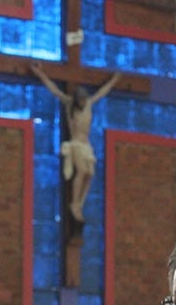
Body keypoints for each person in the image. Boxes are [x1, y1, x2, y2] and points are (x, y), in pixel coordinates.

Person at [30, 62, 121, 223]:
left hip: (86, 145)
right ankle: (74, 203)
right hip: (76, 144)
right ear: (77, 99)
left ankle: (79, 203)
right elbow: (53, 89)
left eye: (84, 100)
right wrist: (40, 74)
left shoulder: (90, 104)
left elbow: (102, 92)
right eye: (81, 100)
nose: (83, 102)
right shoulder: (68, 103)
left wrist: (114, 81)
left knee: (90, 174)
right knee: (82, 171)